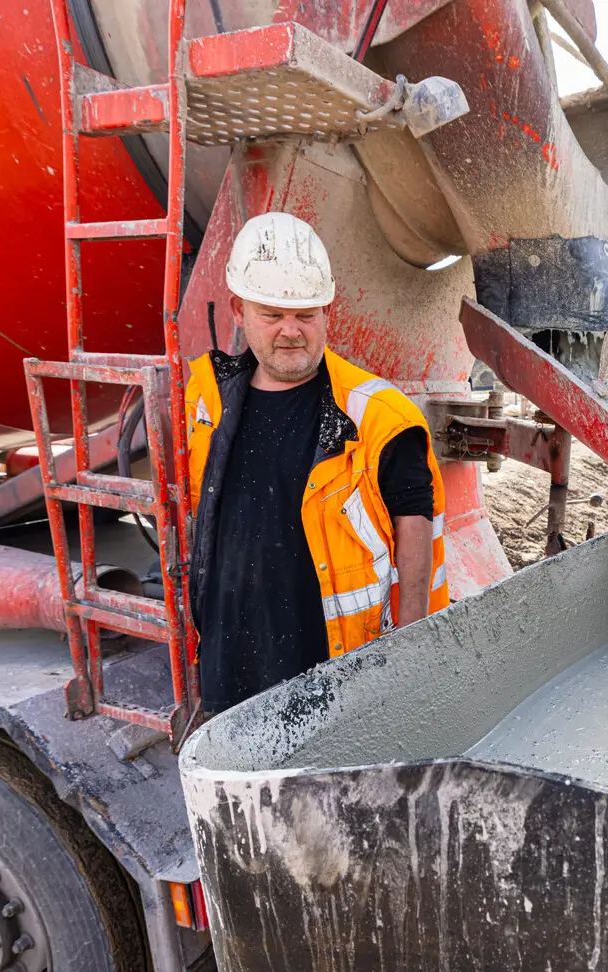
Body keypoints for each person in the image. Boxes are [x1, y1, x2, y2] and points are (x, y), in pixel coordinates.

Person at [183, 212, 449, 715]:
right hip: (229, 670)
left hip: (332, 680)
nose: (291, 331)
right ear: (238, 310)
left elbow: (416, 527)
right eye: (273, 314)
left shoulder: (378, 417)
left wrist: (411, 660)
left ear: (328, 310)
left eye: (306, 315)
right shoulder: (207, 402)